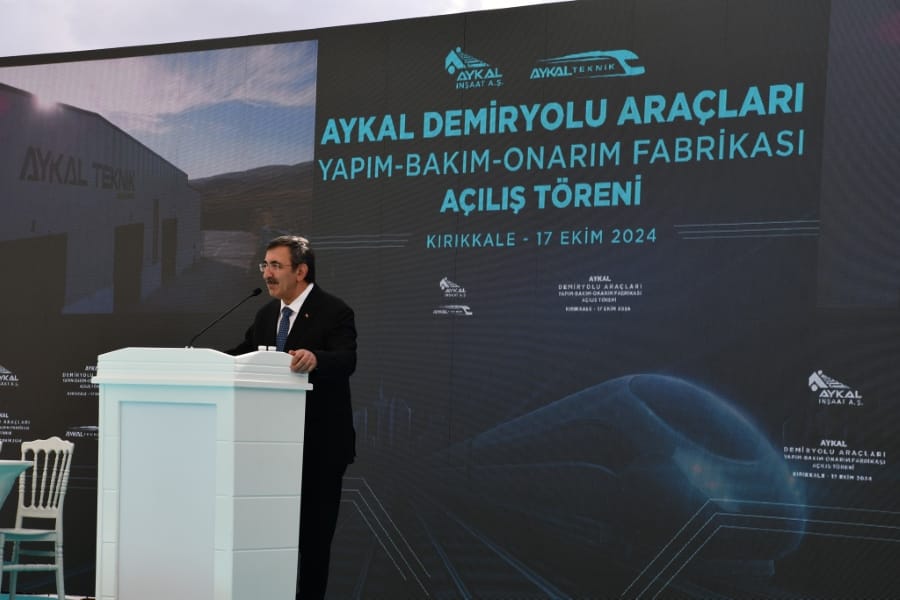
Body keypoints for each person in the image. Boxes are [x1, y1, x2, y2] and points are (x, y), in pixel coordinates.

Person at [227, 235, 357, 599]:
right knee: (268, 538)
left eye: (275, 265)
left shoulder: (334, 311)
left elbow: (347, 359)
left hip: (319, 448)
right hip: (269, 450)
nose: (266, 274)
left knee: (313, 542)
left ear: (301, 271)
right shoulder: (267, 314)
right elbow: (245, 355)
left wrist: (317, 358)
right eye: (265, 265)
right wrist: (205, 362)